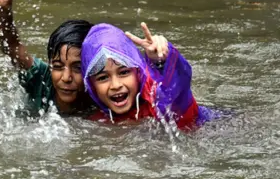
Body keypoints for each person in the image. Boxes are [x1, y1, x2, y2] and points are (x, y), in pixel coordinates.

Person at [0, 0, 94, 114]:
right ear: (50, 66)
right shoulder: (42, 79)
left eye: (77, 68)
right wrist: (4, 12)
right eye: (57, 66)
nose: (66, 77)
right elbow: (12, 47)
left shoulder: (100, 94)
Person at [81, 22, 216, 130]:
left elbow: (178, 88)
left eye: (124, 72)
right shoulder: (96, 120)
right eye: (103, 78)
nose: (116, 85)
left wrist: (161, 61)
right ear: (92, 86)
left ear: (138, 73)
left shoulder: (157, 100)